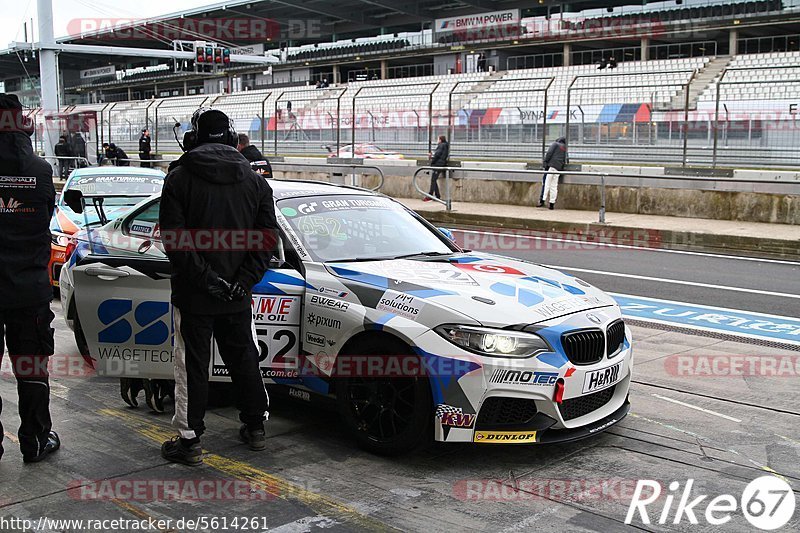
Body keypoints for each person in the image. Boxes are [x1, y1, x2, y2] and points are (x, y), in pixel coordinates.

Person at [159, 108, 275, 466]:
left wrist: (208, 280)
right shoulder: (256, 182)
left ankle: (190, 440)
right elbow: (266, 241)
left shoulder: (178, 179)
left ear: (193, 138)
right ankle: (255, 427)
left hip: (196, 294)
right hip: (237, 295)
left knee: (191, 364)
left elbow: (175, 241)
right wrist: (240, 283)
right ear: (231, 138)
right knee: (243, 358)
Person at [0, 93, 60, 464]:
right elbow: (44, 219)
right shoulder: (39, 170)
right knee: (32, 368)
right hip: (29, 288)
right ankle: (35, 438)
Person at [538, 137, 567, 210]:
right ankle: (552, 203)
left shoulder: (555, 144)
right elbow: (566, 159)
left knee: (546, 184)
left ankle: (542, 200)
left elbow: (549, 153)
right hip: (558, 168)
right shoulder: (565, 148)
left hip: (551, 166)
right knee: (554, 186)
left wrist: (545, 162)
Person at [424, 135, 449, 202]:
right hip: (441, 164)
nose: (437, 140)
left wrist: (432, 160)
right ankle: (436, 196)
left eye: (438, 139)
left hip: (438, 164)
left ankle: (431, 195)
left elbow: (437, 155)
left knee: (433, 180)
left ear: (440, 140)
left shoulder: (441, 145)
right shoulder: (445, 146)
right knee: (434, 180)